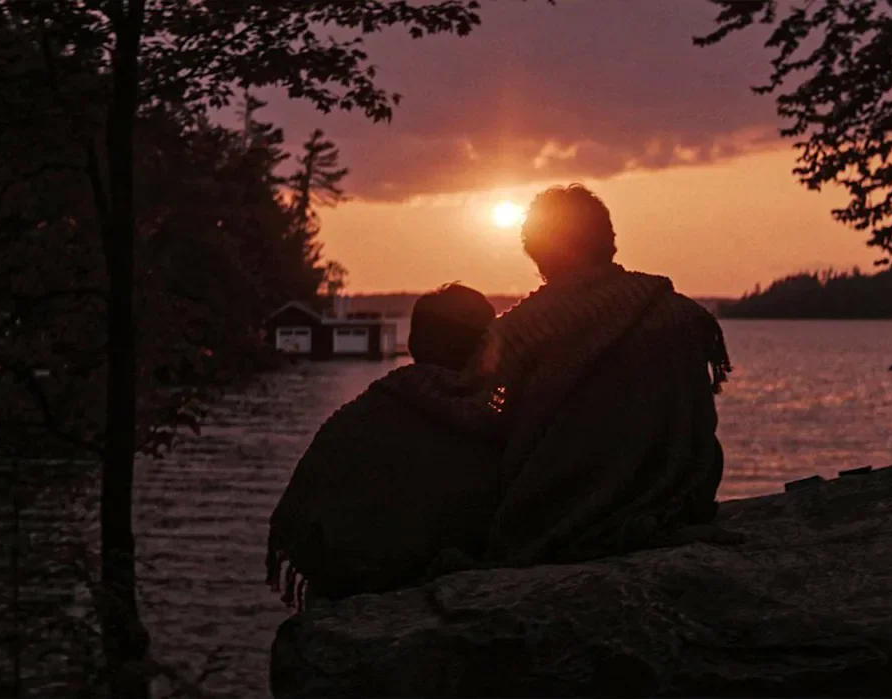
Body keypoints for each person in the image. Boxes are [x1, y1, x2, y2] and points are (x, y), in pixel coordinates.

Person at [389, 183, 732, 566]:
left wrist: (411, 388)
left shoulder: (523, 332)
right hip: (683, 500)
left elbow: (478, 414)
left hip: (563, 514)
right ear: (608, 240)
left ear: (538, 251)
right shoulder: (681, 314)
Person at [265, 284, 500, 607]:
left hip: (344, 603)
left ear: (415, 344)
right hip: (435, 606)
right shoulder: (491, 426)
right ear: (479, 349)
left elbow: (302, 523)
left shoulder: (361, 414)